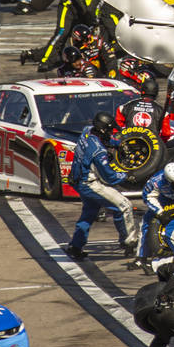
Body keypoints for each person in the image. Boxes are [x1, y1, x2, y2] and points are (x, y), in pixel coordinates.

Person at [65, 112, 137, 261]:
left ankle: (75, 246)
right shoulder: (99, 152)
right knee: (124, 205)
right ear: (103, 129)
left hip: (77, 180)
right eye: (110, 130)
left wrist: (118, 144)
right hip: (90, 183)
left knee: (89, 213)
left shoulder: (87, 131)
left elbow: (104, 140)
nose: (111, 132)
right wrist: (127, 175)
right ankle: (130, 244)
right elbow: (109, 176)